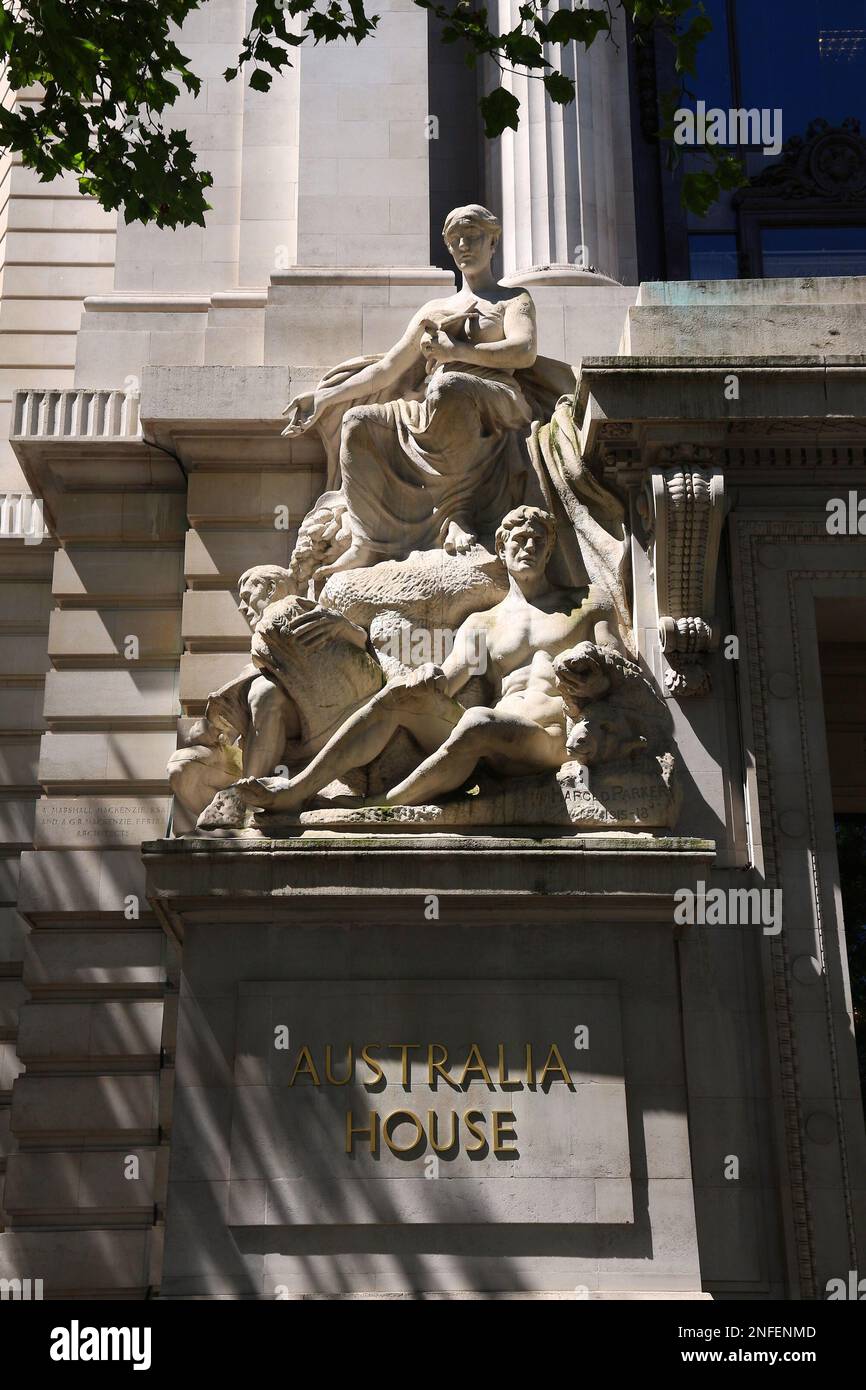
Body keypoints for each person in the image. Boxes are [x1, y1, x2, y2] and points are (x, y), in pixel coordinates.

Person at [231, 506, 622, 814]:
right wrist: (427, 675)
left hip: (550, 738)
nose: (529, 547)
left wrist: (592, 678)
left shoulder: (584, 605)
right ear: (501, 549)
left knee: (477, 720)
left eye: (539, 540)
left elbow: (619, 673)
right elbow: (449, 682)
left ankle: (377, 808)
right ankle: (296, 790)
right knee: (403, 693)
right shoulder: (482, 623)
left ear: (550, 549)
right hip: (495, 741)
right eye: (519, 539)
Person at [281, 205, 538, 582]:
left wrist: (458, 354)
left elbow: (524, 350)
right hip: (434, 404)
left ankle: (457, 514)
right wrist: (326, 398)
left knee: (451, 385)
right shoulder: (434, 309)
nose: (464, 246)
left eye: (474, 237)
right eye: (456, 241)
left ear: (493, 241)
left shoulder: (513, 300)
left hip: (495, 399)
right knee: (358, 422)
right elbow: (385, 371)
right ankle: (368, 540)